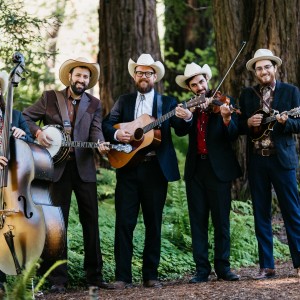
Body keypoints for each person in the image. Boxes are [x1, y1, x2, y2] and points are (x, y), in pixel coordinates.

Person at [102, 53, 192, 289]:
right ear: (135, 76)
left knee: (153, 223)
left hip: (155, 170)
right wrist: (116, 133)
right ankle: (122, 277)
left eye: (148, 73)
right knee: (124, 222)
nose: (144, 76)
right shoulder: (124, 101)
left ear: (155, 77)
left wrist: (188, 116)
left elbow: (181, 130)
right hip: (128, 169)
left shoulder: (168, 103)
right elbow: (107, 124)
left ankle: (150, 276)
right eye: (140, 72)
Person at [22, 57, 110, 293]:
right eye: (78, 75)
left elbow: (96, 131)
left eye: (86, 76)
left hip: (84, 170)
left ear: (89, 81)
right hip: (56, 170)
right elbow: (26, 117)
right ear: (70, 77)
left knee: (90, 223)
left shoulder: (94, 104)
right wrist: (38, 132)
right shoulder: (50, 98)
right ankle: (57, 280)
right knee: (55, 225)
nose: (81, 79)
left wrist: (100, 144)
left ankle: (95, 276)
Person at [174, 62, 241, 283]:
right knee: (198, 221)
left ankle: (223, 267)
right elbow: (181, 130)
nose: (199, 87)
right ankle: (201, 269)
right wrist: (187, 117)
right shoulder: (188, 106)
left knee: (221, 221)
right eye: (194, 85)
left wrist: (226, 118)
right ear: (189, 88)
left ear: (207, 81)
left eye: (201, 82)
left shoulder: (222, 101)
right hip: (196, 170)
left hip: (218, 170)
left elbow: (233, 134)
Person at [238, 49, 300, 279]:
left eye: (267, 67)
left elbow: (298, 124)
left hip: (281, 160)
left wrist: (285, 122)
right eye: (259, 68)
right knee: (260, 213)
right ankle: (267, 266)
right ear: (255, 72)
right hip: (257, 160)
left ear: (275, 68)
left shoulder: (291, 92)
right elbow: (238, 126)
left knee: (291, 211)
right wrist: (247, 121)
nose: (263, 71)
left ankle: (298, 263)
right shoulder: (247, 94)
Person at [0, 70, 34, 293]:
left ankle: (2, 280)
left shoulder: (16, 115)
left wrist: (24, 135)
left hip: (12, 184)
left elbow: (32, 145)